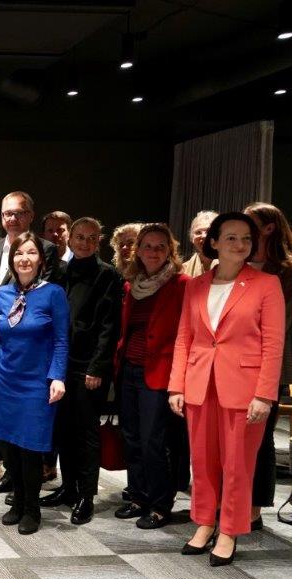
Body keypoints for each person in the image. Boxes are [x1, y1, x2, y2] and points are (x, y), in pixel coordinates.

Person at [168, 212, 284, 566]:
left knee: (237, 465)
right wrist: (176, 386)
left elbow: (273, 345)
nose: (240, 244)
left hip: (245, 389)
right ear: (214, 243)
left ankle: (230, 530)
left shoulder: (266, 284)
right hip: (199, 383)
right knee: (202, 462)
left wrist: (264, 395)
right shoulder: (195, 285)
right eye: (231, 238)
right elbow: (184, 338)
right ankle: (204, 523)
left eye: (246, 238)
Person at [0, 232, 69, 535]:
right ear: (12, 259)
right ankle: (17, 502)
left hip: (36, 384)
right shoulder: (5, 293)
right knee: (8, 446)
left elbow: (61, 340)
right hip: (5, 379)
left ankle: (32, 508)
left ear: (41, 260)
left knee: (30, 448)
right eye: (19, 253)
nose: (25, 259)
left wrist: (58, 376)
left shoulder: (53, 293)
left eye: (31, 253)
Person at [0, 191, 59, 496]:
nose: (12, 218)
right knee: (1, 419)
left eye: (19, 212)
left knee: (28, 426)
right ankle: (8, 474)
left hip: (30, 355)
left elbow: (44, 304)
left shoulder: (46, 250)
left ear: (30, 216)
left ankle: (28, 483)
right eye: (7, 213)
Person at [41, 217, 122, 524]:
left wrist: (97, 366)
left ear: (98, 241)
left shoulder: (107, 274)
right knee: (63, 429)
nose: (85, 242)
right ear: (70, 239)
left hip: (89, 366)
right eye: (79, 237)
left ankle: (86, 496)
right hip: (61, 362)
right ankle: (68, 487)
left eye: (91, 237)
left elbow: (109, 326)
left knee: (86, 432)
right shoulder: (60, 272)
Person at [115, 223, 189, 529]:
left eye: (160, 246)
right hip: (129, 369)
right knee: (131, 437)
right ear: (138, 251)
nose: (153, 252)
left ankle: (160, 504)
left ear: (170, 250)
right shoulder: (132, 285)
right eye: (147, 246)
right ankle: (138, 495)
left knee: (153, 441)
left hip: (160, 373)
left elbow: (187, 334)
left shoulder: (182, 284)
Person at [244, 202, 292, 530]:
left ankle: (255, 508)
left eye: (250, 222)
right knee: (237, 438)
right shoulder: (240, 265)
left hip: (269, 364)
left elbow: (280, 324)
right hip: (234, 364)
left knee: (260, 438)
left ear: (269, 228)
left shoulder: (287, 271)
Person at [181, 211, 217, 277]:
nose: (203, 236)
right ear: (192, 238)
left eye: (209, 231)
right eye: (198, 232)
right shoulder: (182, 271)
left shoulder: (235, 267)